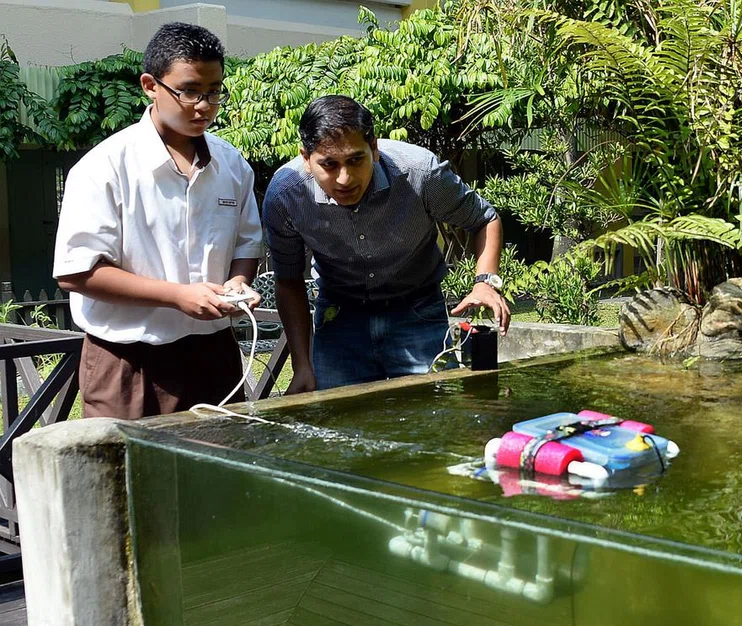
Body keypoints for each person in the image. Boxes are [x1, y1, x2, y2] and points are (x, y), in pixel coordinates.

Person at [53, 22, 263, 419]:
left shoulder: (232, 164)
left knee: (218, 476)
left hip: (213, 355)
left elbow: (246, 244)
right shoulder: (105, 167)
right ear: (150, 85)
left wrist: (238, 281)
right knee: (127, 479)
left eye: (215, 91)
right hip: (128, 365)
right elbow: (76, 273)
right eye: (189, 91)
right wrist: (178, 296)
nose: (204, 105)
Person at [262, 95, 510, 393]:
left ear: (374, 148)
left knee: (432, 419)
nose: (344, 178)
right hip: (339, 316)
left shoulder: (421, 173)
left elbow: (484, 218)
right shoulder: (285, 197)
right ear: (305, 158)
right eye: (329, 164)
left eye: (356, 160)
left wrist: (485, 283)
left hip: (417, 309)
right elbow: (288, 281)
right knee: (342, 425)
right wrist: (302, 364)